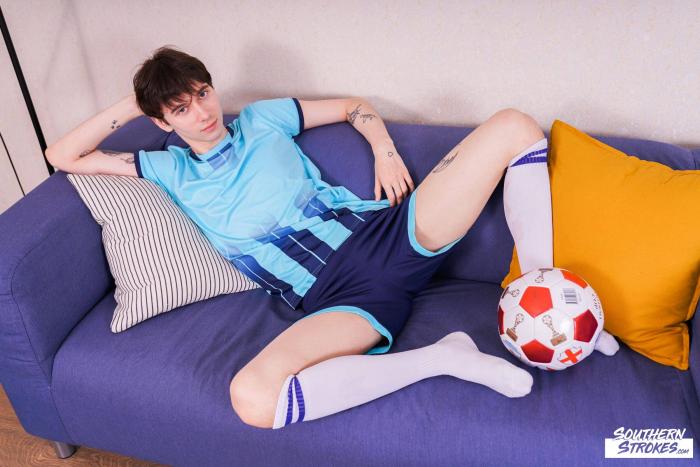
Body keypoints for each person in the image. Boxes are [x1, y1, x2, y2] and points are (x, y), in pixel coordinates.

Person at [45, 45, 619, 430]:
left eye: (202, 92)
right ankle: (442, 359)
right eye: (180, 107)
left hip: (388, 232)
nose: (202, 112)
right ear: (162, 121)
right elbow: (63, 155)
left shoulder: (262, 120)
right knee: (253, 398)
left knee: (515, 125)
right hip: (340, 298)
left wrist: (383, 148)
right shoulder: (166, 168)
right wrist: (139, 100)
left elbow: (353, 106)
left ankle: (543, 293)